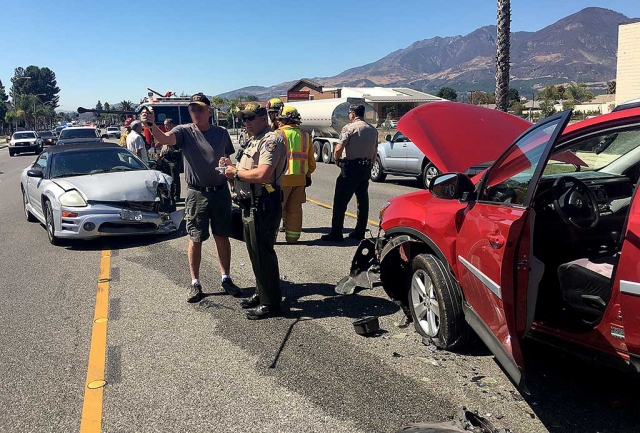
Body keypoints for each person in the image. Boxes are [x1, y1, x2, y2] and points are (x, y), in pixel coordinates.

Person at [141, 92, 241, 303]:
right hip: (197, 194)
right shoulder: (184, 131)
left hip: (220, 192)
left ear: (209, 111)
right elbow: (165, 139)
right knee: (196, 238)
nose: (195, 112)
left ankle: (226, 278)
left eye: (199, 108)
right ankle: (195, 283)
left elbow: (228, 160)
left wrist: (231, 177)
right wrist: (151, 125)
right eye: (192, 109)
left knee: (222, 236)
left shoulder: (221, 132)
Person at [219, 103, 287, 320]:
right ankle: (262, 292)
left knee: (262, 253)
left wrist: (234, 172)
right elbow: (247, 169)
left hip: (264, 202)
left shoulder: (271, 140)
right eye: (243, 119)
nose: (245, 122)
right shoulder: (253, 139)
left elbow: (263, 175)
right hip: (250, 203)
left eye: (249, 118)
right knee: (254, 252)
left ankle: (271, 303)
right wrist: (230, 167)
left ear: (262, 117)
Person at [320, 104, 377, 242]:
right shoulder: (372, 130)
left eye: (349, 113)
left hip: (351, 167)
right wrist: (370, 165)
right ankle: (360, 231)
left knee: (340, 201)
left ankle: (336, 232)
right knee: (362, 201)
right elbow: (375, 151)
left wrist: (337, 160)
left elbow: (339, 148)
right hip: (365, 167)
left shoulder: (349, 128)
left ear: (352, 114)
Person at [276, 106, 315, 243]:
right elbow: (311, 162)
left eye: (280, 119)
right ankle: (292, 237)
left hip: (282, 179)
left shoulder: (277, 135)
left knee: (277, 209)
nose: (278, 122)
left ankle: (271, 237)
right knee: (295, 209)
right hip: (300, 179)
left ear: (286, 120)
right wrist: (308, 174)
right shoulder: (306, 136)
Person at [158, 118, 183, 202]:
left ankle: (176, 196)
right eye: (164, 125)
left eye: (167, 124)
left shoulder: (176, 134)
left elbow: (178, 147)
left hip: (174, 159)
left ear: (172, 125)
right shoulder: (165, 134)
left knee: (174, 178)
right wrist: (160, 156)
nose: (165, 126)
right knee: (167, 178)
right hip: (166, 159)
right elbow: (163, 147)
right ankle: (170, 194)